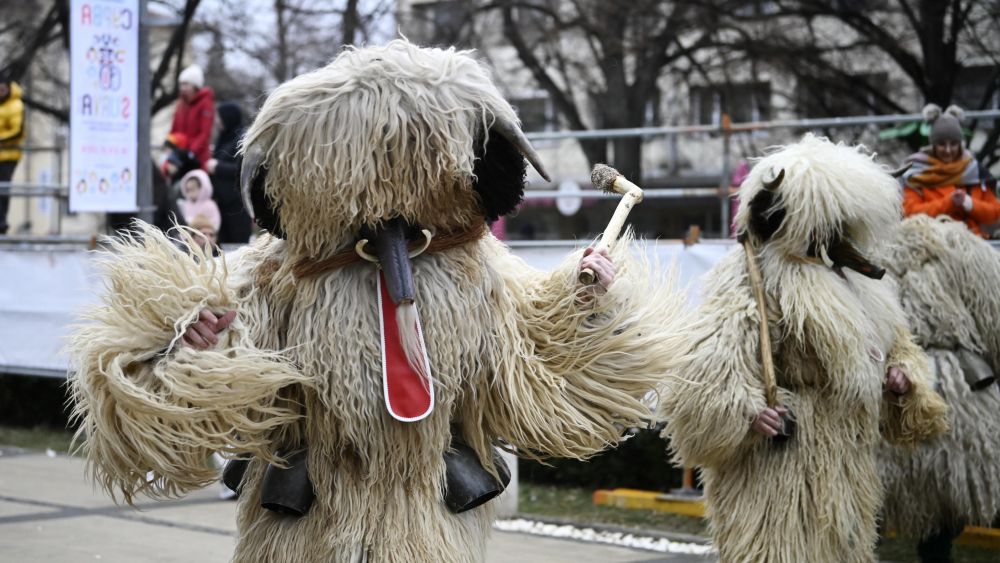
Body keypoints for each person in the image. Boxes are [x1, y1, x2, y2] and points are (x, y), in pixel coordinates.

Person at [67, 41, 686, 562]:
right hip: (302, 525)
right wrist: (187, 349)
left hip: (428, 526)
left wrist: (585, 302)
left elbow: (535, 371)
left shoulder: (477, 270)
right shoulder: (279, 271)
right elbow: (166, 376)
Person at [659, 135, 948, 563]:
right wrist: (746, 411)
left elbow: (899, 346)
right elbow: (707, 365)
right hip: (778, 467)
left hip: (847, 465)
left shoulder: (861, 282)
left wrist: (903, 378)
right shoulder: (750, 274)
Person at [879, 214, 1000, 563]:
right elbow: (993, 321)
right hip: (947, 385)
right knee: (950, 484)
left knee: (906, 482)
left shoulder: (876, 259)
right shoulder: (967, 253)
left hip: (918, 384)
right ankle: (935, 549)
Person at [900, 104, 1000, 237]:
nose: (948, 150)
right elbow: (909, 213)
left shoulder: (975, 172)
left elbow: (994, 213)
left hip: (975, 247)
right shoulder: (916, 173)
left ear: (960, 145)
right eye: (942, 144)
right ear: (933, 145)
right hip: (932, 246)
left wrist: (969, 203)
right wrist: (948, 202)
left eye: (953, 144)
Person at [206, 102, 252, 244]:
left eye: (219, 117)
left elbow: (244, 168)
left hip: (237, 205)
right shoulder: (224, 138)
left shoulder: (242, 139)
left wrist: (218, 167)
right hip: (222, 203)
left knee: (237, 245)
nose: (217, 121)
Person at [169, 65, 215, 169]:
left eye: (186, 84)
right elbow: (174, 129)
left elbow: (204, 133)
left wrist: (191, 152)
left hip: (197, 158)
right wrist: (170, 142)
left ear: (195, 86)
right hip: (180, 155)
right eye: (181, 84)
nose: (182, 88)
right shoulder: (181, 104)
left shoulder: (205, 103)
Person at [0, 76, 26, 235]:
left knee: (3, 187)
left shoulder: (16, 105)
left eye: (2, 89)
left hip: (9, 155)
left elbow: (18, 131)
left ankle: (1, 222)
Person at [177, 168, 221, 235]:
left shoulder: (209, 205)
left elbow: (215, 223)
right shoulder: (185, 204)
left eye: (193, 189)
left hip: (206, 236)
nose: (190, 193)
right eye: (188, 190)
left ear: (202, 187)